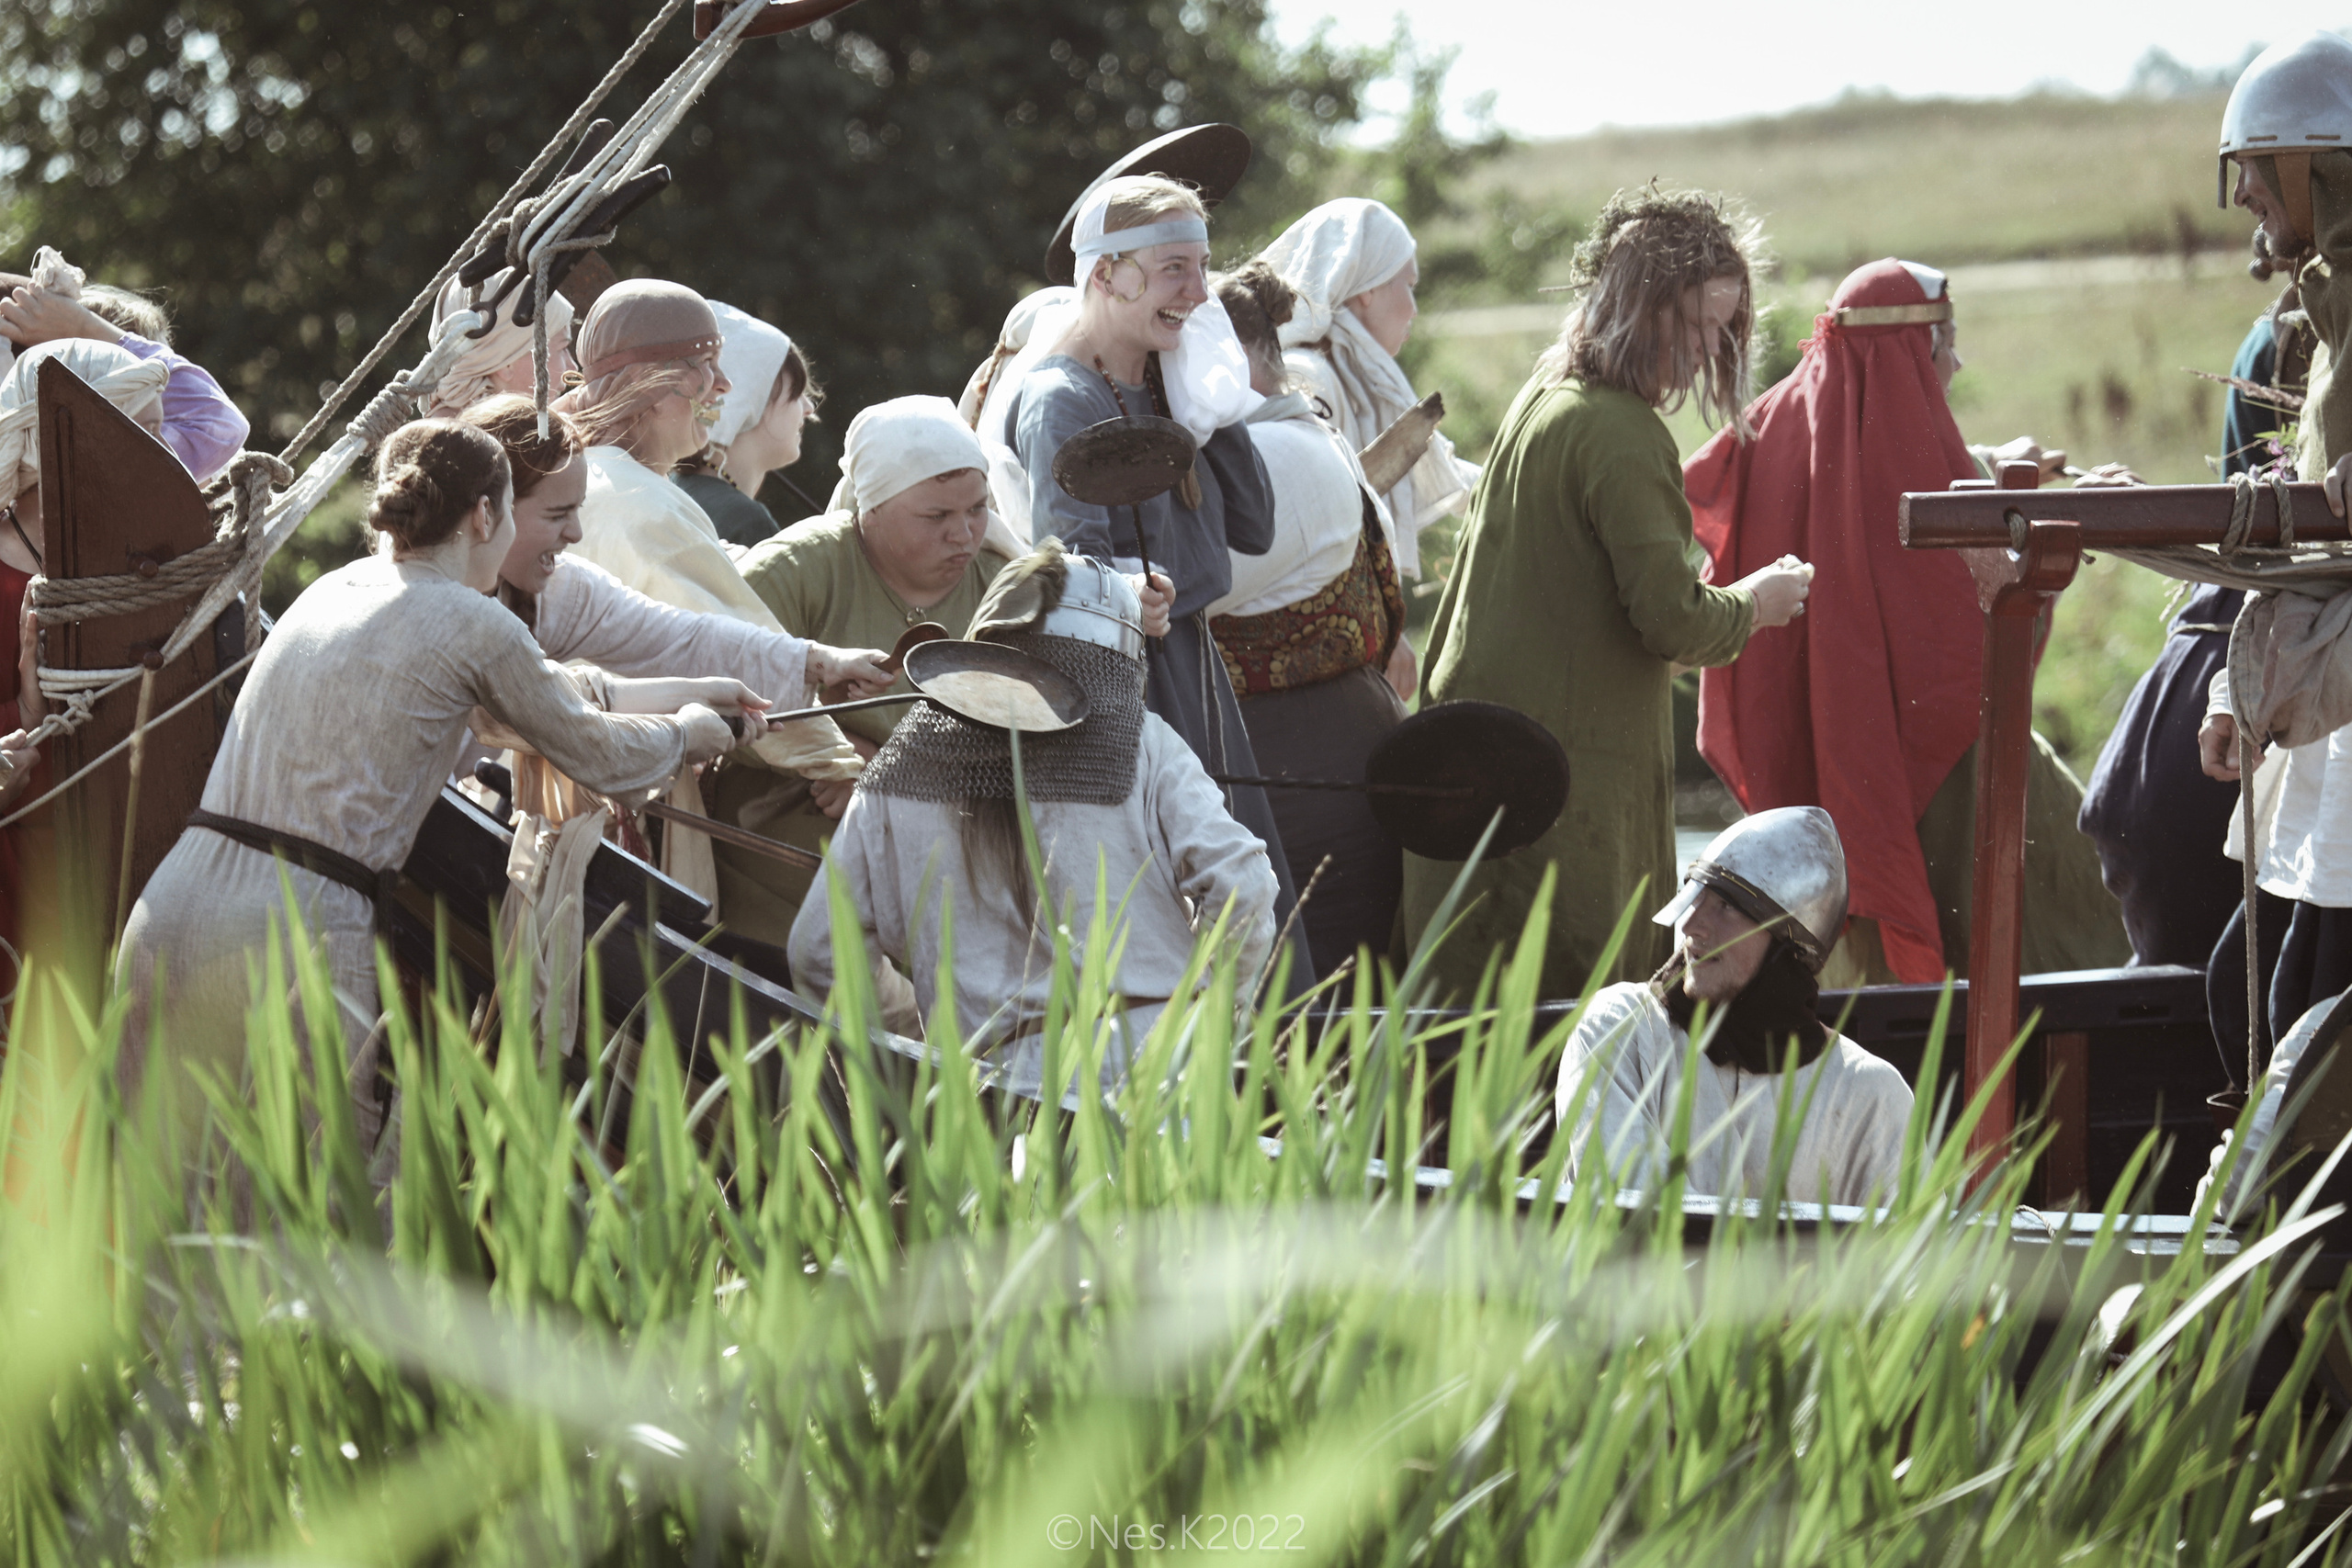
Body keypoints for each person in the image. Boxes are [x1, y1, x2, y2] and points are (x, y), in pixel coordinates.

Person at [117, 420, 755, 1148]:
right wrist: (688, 734)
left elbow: (538, 701)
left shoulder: (333, 589)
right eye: (513, 506)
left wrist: (693, 692)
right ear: (484, 514)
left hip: (171, 910)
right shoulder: (474, 621)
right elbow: (594, 751)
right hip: (294, 931)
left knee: (159, 1204)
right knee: (328, 1209)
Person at [1399, 188, 1812, 999]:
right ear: (1638, 307)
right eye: (1693, 324)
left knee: (1474, 1031)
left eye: (1721, 329)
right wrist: (1756, 603)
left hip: (1495, 771)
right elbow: (1670, 620)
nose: (1705, 349)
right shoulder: (1621, 432)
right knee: (1574, 1031)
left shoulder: (1542, 403)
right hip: (1558, 794)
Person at [1685, 258, 2129, 987]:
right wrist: (2067, 515)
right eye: (1946, 343)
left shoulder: (1774, 428)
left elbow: (1862, 493)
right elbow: (1967, 626)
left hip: (1814, 770)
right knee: (2072, 885)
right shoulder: (1903, 451)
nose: (1956, 362)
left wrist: (1990, 464)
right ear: (1908, 355)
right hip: (1928, 765)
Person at [789, 541, 1278, 1098]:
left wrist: (919, 1038)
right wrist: (1212, 1007)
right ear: (1115, 658)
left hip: (997, 1091)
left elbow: (818, 952)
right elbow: (1244, 887)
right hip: (1161, 1072)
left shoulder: (901, 769)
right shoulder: (1143, 746)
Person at [996, 175, 1313, 976]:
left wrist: (1216, 402)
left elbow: (1253, 526)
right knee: (1177, 929)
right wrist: (1125, 593)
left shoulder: (1168, 381)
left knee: (1254, 917)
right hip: (1132, 690)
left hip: (1198, 673)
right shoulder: (1061, 397)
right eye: (1175, 267)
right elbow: (1070, 575)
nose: (1199, 291)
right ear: (1106, 273)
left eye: (1202, 267)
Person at [552, 277, 869, 909]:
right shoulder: (640, 504)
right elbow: (706, 643)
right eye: (701, 365)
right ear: (648, 382)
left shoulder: (603, 480)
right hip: (614, 812)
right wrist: (843, 764)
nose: (721, 385)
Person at [2083, 138, 2314, 976]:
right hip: (2254, 663)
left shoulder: (2287, 339)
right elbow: (2259, 529)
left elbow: (2264, 533)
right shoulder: (2283, 344)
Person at [457, 395, 891, 834]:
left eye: (577, 510)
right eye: (556, 514)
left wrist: (817, 661)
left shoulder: (557, 591)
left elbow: (678, 639)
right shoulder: (433, 606)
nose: (576, 532)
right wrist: (684, 730)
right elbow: (546, 707)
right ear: (487, 513)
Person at [2196, 30, 2352, 1064]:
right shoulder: (2330, 301)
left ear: (2317, 163)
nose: (2244, 191)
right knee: (2259, 995)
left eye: (2258, 166)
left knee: (2304, 1016)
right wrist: (2234, 687)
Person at [726, 395, 1015, 934]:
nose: (964, 534)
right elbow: (724, 695)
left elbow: (1034, 737)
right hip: (783, 844)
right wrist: (844, 758)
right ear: (872, 507)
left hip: (960, 845)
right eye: (937, 516)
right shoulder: (796, 570)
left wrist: (892, 775)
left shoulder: (1003, 588)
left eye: (977, 509)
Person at [0, 336, 243, 972]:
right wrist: (24, 711)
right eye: (137, 441)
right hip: (26, 883)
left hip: (140, 866)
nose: (158, 462)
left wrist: (89, 326)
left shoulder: (150, 560)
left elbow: (220, 423)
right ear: (53, 447)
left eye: (159, 440)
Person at [1206, 262, 1408, 968]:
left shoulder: (1272, 453)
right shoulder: (1287, 434)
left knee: (1310, 992)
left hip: (1300, 765)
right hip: (1309, 750)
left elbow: (1179, 588)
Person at [1555, 808, 1913, 1206]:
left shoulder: (1872, 1092)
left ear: (1787, 942)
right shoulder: (1618, 1030)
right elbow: (1638, 1234)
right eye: (1697, 897)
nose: (1692, 926)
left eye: (1726, 907)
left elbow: (1919, 1257)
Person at [1258, 197, 1478, 700]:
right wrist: (1382, 624)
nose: (1414, 306)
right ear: (1367, 291)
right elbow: (1322, 517)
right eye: (1409, 285)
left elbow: (1434, 466)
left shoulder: (1355, 374)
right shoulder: (1309, 376)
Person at [672, 302, 820, 550]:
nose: (808, 408)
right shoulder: (745, 521)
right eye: (796, 393)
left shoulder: (675, 487)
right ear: (751, 398)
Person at [420, 267, 576, 422]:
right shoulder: (478, 444)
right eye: (562, 348)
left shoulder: (428, 436)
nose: (572, 367)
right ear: (506, 364)